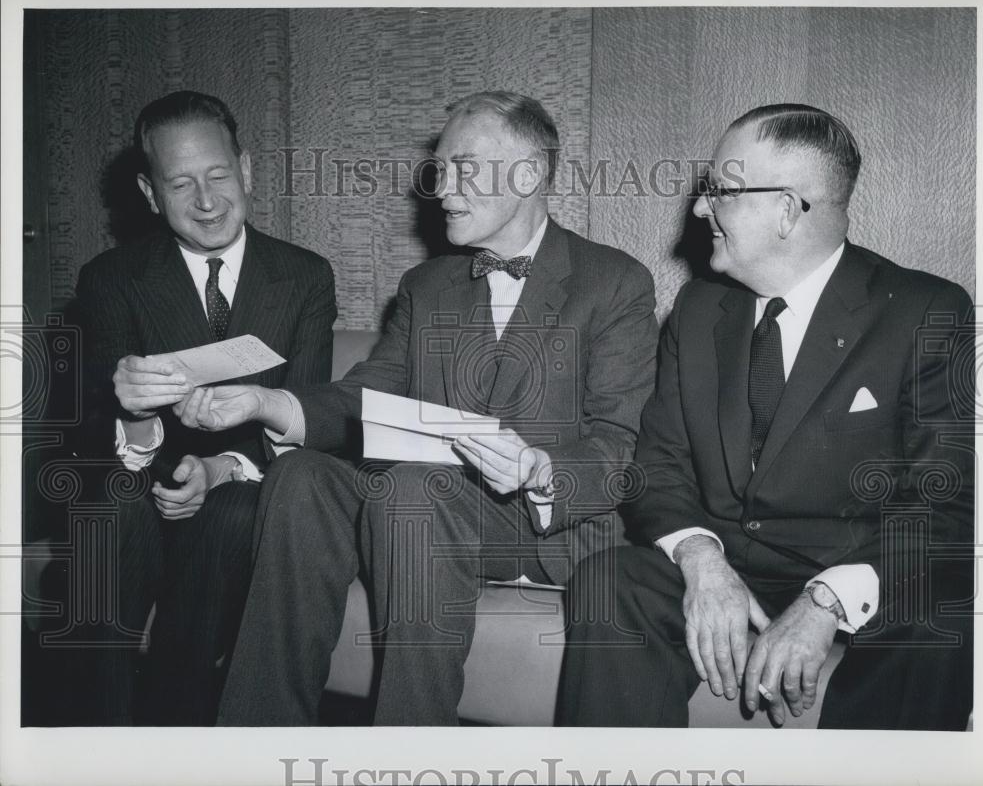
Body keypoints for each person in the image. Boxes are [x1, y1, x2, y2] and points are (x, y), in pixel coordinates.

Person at [177, 91, 659, 725]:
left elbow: (619, 447)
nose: (442, 189)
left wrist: (539, 468)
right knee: (302, 478)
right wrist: (269, 402)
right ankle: (255, 740)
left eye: (463, 167)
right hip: (424, 507)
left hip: (538, 525)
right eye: (439, 169)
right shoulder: (426, 286)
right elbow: (364, 396)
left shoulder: (614, 282)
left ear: (530, 174)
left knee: (413, 490)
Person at [557, 104, 975, 730]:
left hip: (861, 567)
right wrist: (701, 560)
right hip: (731, 561)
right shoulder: (700, 309)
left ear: (786, 209)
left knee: (943, 613)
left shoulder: (925, 311)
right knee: (613, 579)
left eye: (719, 191)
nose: (700, 210)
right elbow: (659, 465)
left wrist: (826, 601)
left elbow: (948, 503)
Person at [70, 90, 337, 725]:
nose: (208, 201)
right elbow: (89, 434)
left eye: (219, 176)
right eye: (181, 184)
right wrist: (134, 412)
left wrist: (219, 471)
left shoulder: (304, 277)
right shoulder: (110, 278)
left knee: (235, 515)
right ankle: (92, 737)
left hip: (241, 484)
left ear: (245, 169)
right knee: (108, 510)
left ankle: (177, 722)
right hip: (138, 483)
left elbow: (301, 420)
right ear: (148, 191)